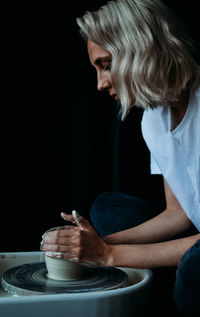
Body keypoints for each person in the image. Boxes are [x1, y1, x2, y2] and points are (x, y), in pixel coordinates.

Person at [41, 0, 200, 315]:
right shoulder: (153, 120)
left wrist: (107, 254)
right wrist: (93, 241)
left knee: (195, 268)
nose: (100, 84)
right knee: (107, 210)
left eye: (106, 64)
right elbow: (178, 213)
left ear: (140, 49)